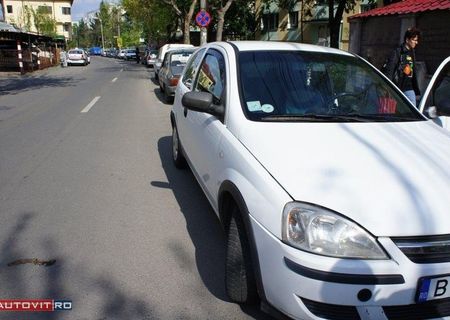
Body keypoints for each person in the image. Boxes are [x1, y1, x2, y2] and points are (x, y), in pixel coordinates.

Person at [385, 27, 421, 106]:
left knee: (412, 111)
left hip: (409, 88)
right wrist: (388, 88)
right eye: (414, 40)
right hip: (397, 88)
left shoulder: (412, 52)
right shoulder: (397, 52)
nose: (416, 42)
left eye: (416, 40)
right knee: (391, 113)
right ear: (407, 40)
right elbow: (389, 70)